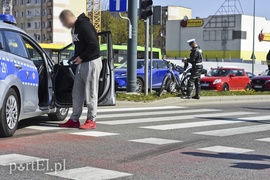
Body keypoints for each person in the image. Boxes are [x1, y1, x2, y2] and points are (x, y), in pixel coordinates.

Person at [58, 10, 102, 129]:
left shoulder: (83, 25)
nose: (64, 25)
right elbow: (81, 46)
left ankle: (91, 120)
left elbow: (93, 45)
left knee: (91, 92)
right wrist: (75, 58)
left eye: (63, 22)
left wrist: (81, 57)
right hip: (82, 63)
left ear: (68, 19)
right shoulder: (76, 28)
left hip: (91, 62)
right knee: (77, 92)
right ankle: (74, 119)